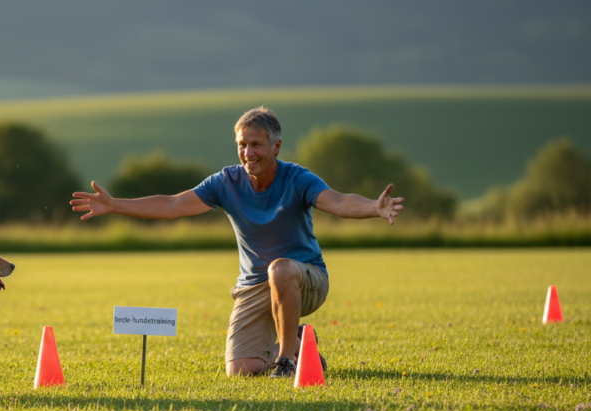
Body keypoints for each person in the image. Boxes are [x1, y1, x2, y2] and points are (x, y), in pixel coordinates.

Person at [70, 107, 404, 378]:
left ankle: (286, 362)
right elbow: (171, 205)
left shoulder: (298, 178)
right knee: (241, 371)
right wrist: (115, 205)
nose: (248, 152)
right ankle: (300, 343)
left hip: (305, 279)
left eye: (256, 144)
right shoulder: (226, 181)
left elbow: (340, 202)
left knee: (280, 269)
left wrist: (374, 207)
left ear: (276, 147)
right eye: (242, 144)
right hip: (253, 286)